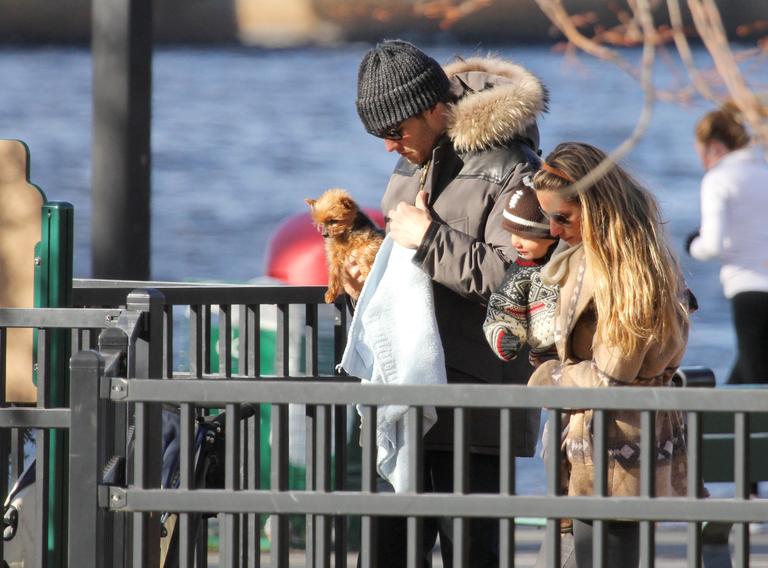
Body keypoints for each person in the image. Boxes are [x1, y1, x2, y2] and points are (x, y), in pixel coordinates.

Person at [350, 40, 549, 567]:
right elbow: (405, 259)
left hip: (474, 403)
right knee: (386, 553)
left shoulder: (514, 166)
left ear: (435, 109)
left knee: (472, 554)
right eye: (379, 136)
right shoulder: (410, 163)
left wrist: (430, 238)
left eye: (395, 132)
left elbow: (523, 282)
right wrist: (365, 273)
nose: (389, 147)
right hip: (405, 396)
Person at [528, 142, 690, 567]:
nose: (555, 230)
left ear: (597, 208)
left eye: (563, 218)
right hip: (597, 449)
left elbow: (608, 377)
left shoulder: (624, 272)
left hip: (616, 453)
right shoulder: (610, 259)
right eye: (548, 218)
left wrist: (551, 376)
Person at [686, 104, 768, 385]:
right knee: (749, 370)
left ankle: (716, 427)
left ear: (714, 146)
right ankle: (721, 427)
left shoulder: (719, 178)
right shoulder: (764, 169)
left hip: (749, 288)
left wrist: (691, 244)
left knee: (753, 375)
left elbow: (712, 245)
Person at [483, 177, 559, 364]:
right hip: (547, 359)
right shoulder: (522, 270)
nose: (515, 242)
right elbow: (505, 308)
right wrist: (504, 335)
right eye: (512, 233)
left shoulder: (579, 258)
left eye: (524, 235)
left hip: (589, 354)